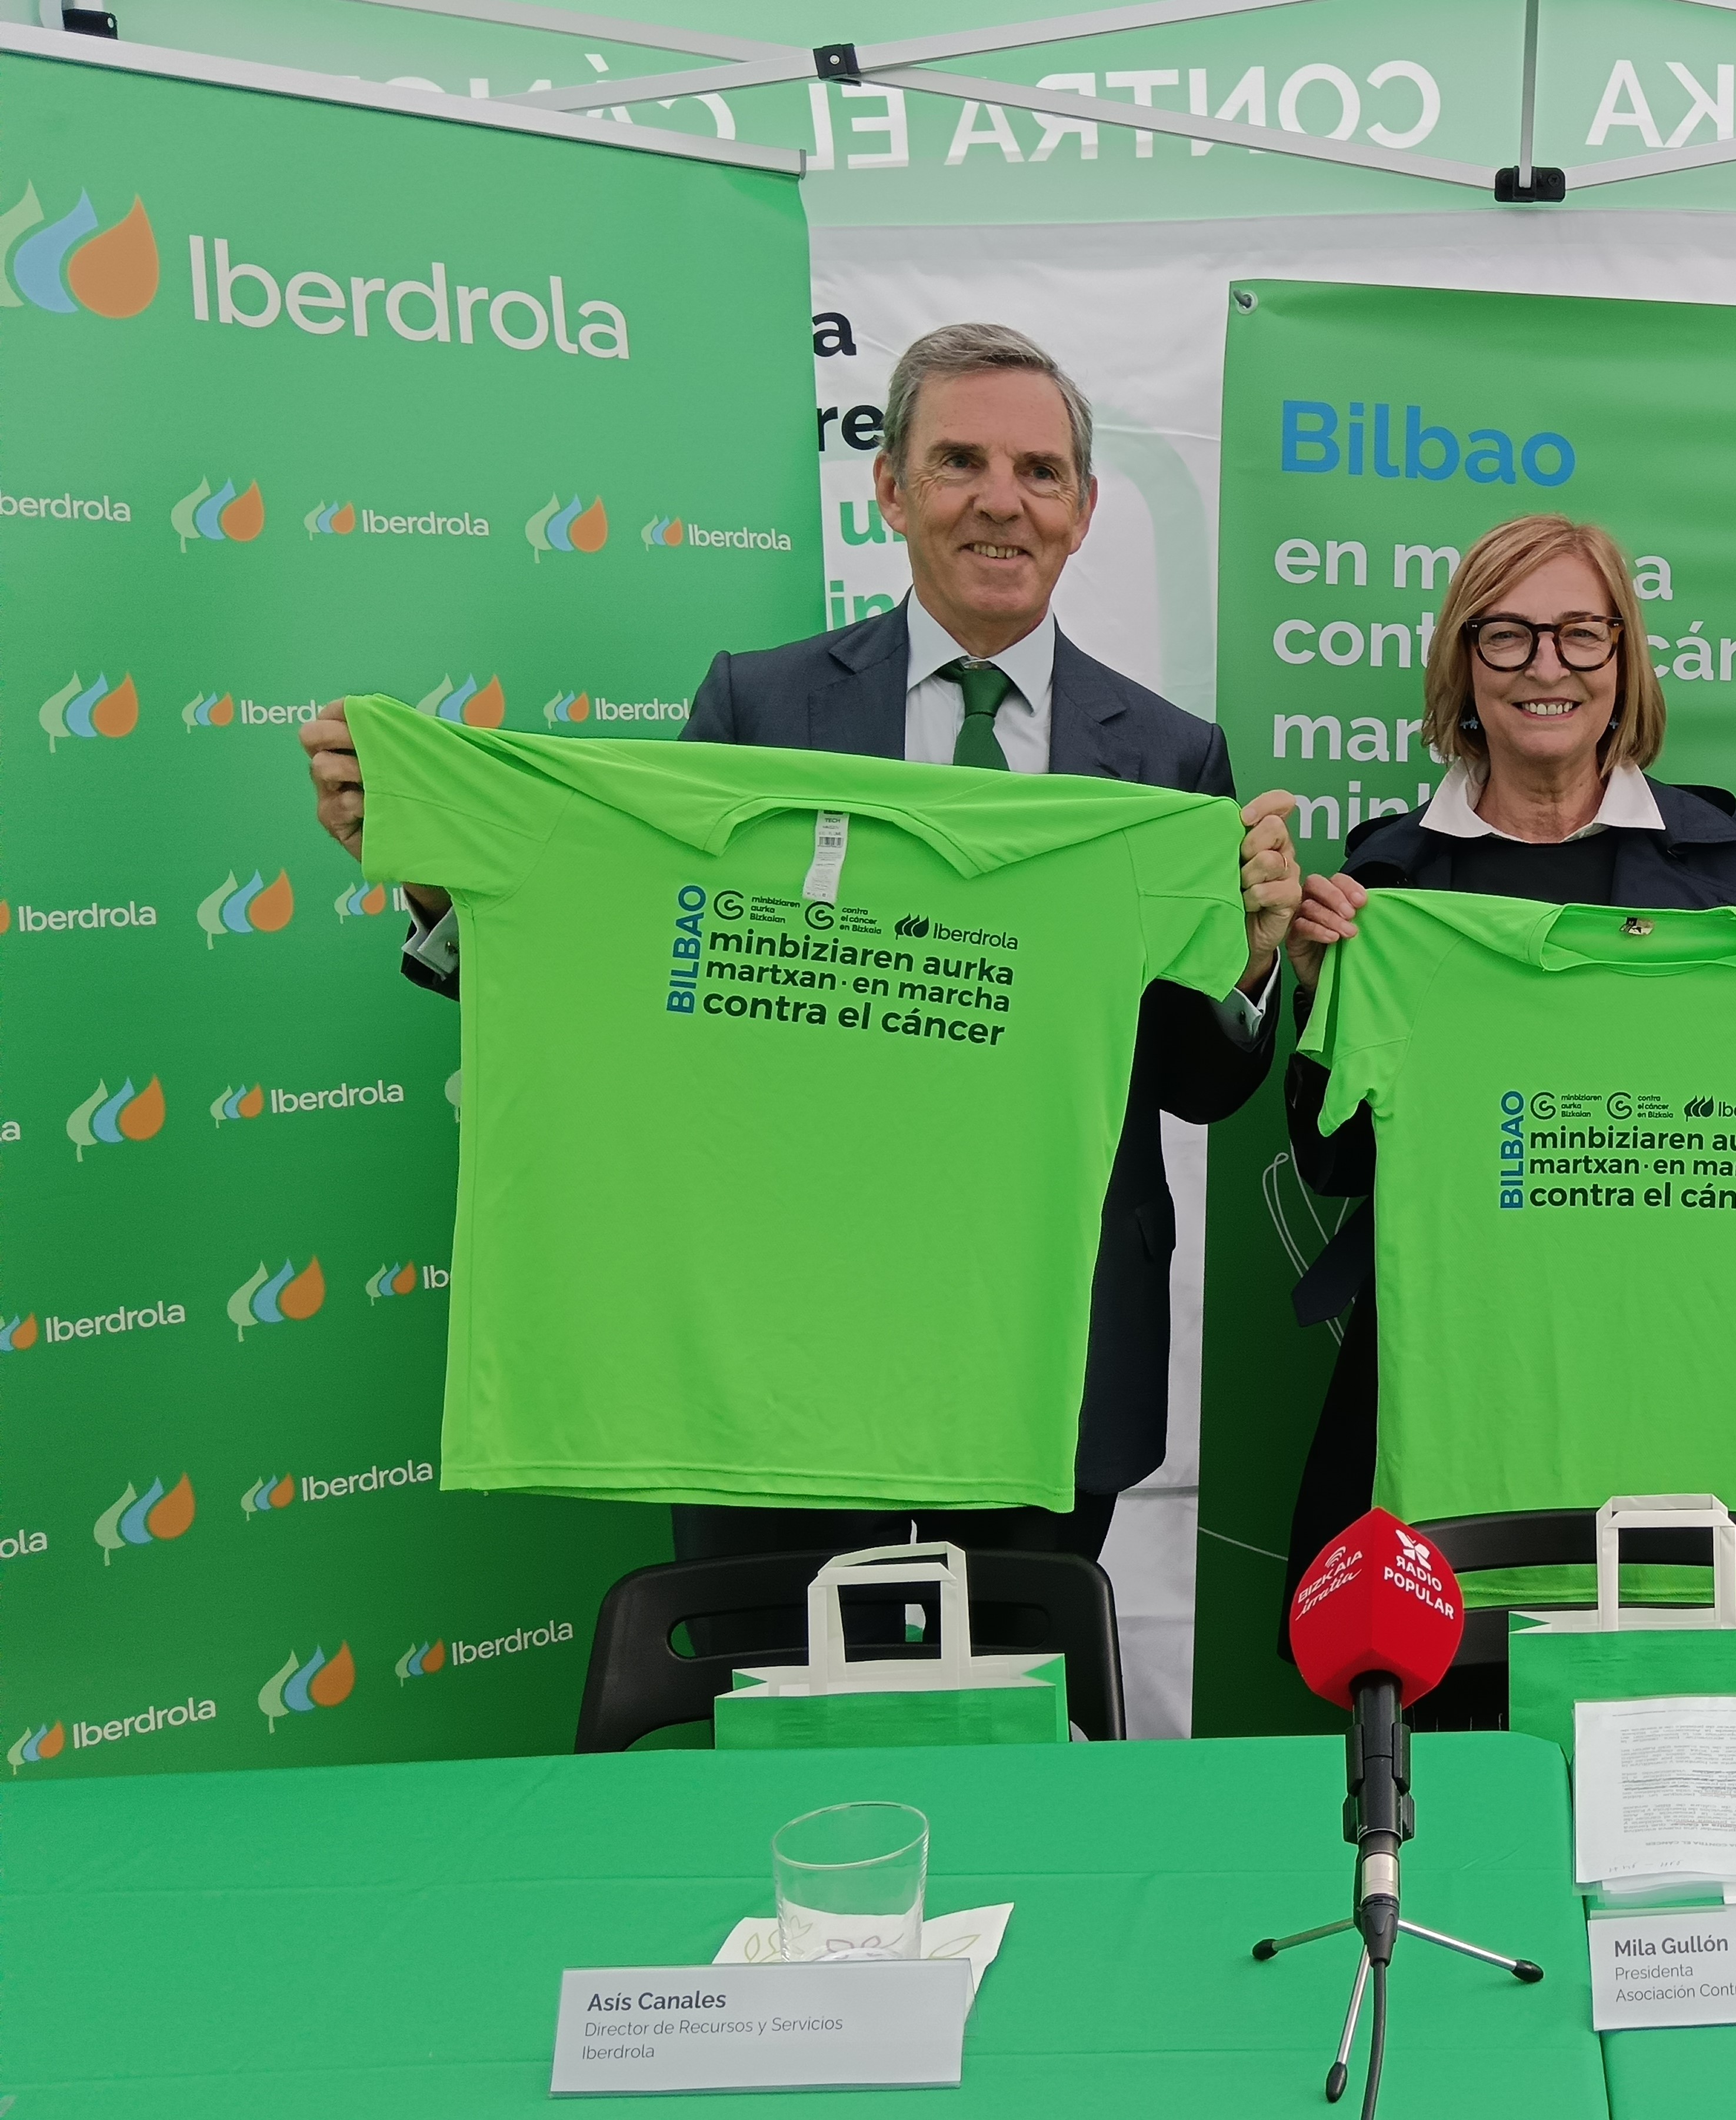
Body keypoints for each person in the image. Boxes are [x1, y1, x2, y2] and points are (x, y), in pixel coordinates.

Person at [299, 321, 1305, 1566]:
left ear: (1085, 508)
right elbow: (651, 974)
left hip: (1046, 1336)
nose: (1004, 502)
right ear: (890, 486)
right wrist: (452, 899)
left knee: (1021, 1731)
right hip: (774, 1333)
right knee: (777, 1714)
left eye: (1040, 473)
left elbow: (1199, 1087)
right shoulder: (760, 707)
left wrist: (1251, 963)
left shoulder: (1169, 755)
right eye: (960, 463)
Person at [1276, 511, 1736, 1593]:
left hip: (1694, 1388)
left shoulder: (1722, 861)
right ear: (1463, 663)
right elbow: (1333, 1165)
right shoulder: (1392, 888)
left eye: (1579, 635)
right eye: (1505, 636)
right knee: (1461, 1703)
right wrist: (1327, 1000)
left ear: (1623, 658)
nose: (1543, 666)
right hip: (1467, 1383)